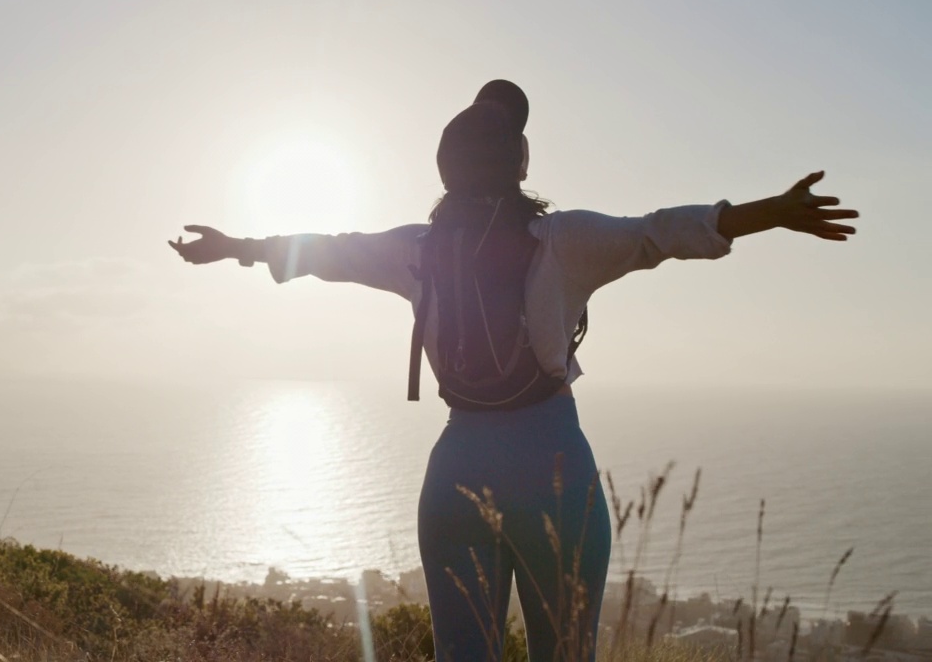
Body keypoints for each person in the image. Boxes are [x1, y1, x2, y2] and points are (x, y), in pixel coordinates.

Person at [167, 80, 857, 662]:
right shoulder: (563, 241)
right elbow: (663, 230)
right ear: (521, 164)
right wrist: (779, 212)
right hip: (552, 468)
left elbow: (326, 251)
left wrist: (235, 247)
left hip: (455, 474)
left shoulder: (417, 249)